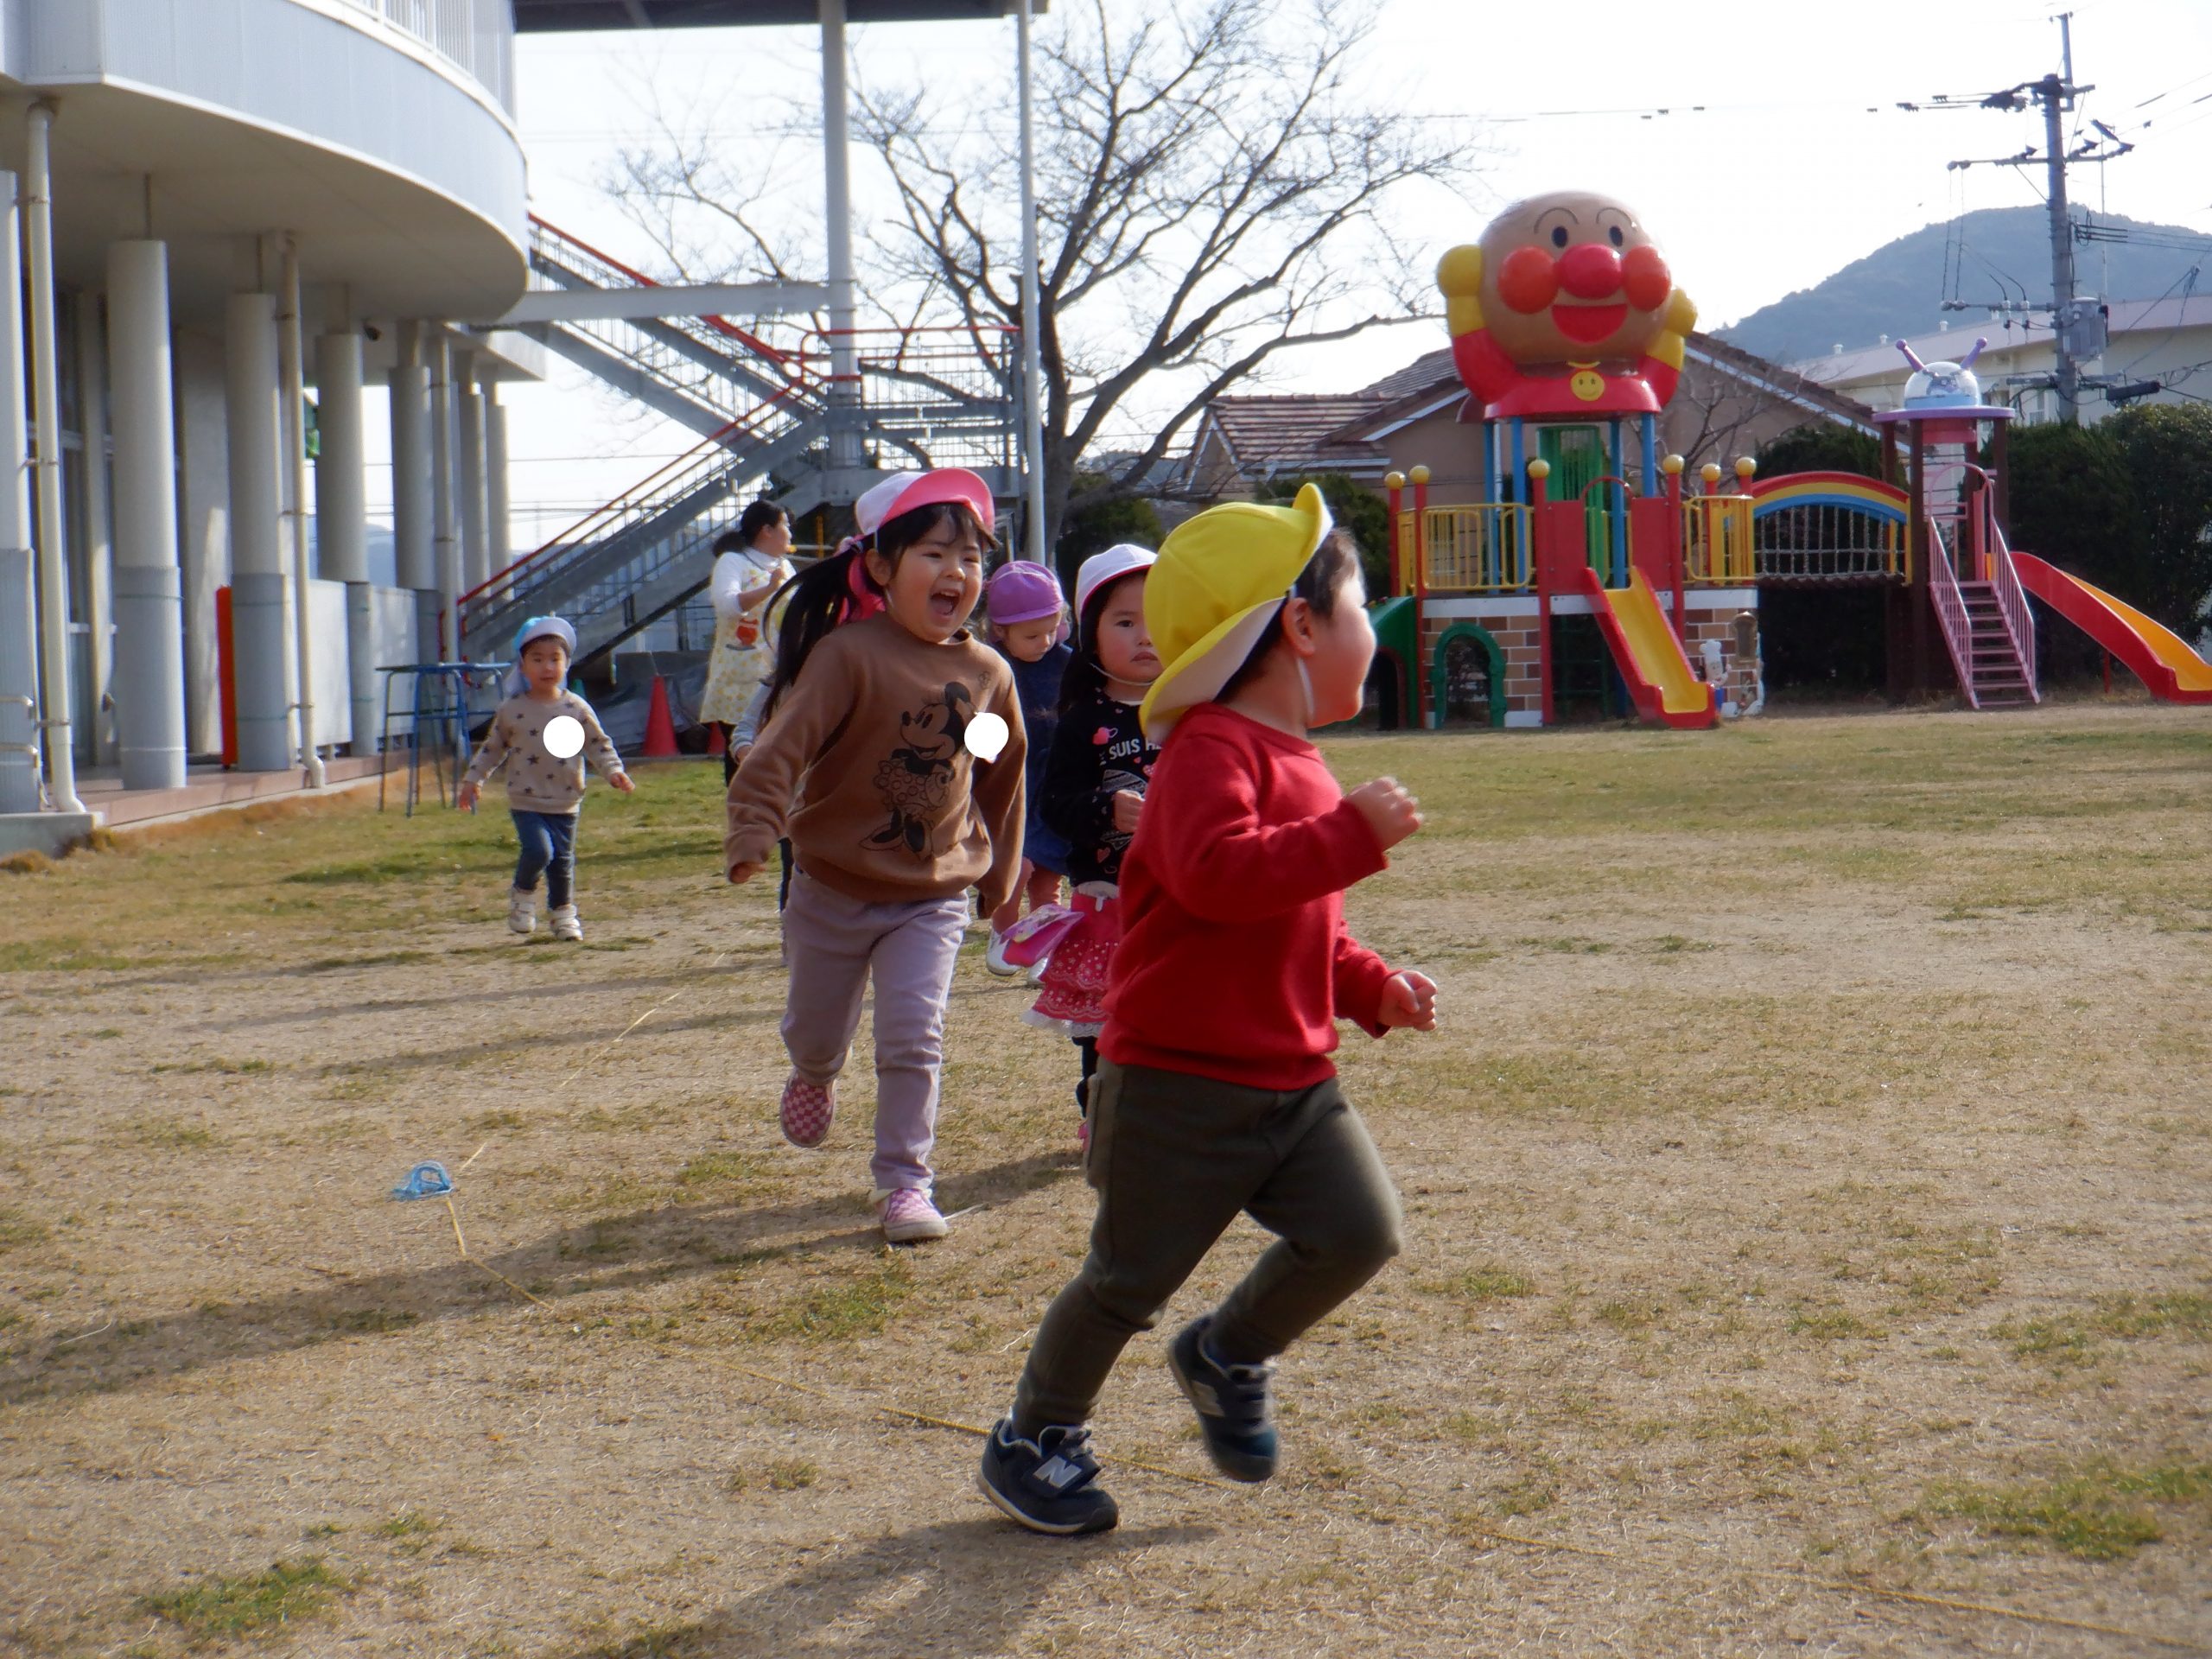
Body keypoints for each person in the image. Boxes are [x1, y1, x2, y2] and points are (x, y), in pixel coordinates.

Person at [976, 484, 1438, 1535]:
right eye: (1364, 606)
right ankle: (1033, 1437)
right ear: (1301, 623)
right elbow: (1219, 878)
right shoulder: (1205, 751)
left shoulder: (1304, 763)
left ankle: (1225, 1353)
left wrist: (1372, 988)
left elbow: (1303, 927)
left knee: (1360, 1233)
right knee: (1125, 1281)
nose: (1374, 629)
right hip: (1179, 1081)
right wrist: (1351, 837)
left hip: (1296, 1078)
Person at [724, 469, 1027, 1245]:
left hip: (930, 894)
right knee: (816, 1031)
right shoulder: (848, 658)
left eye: (972, 559)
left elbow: (999, 774)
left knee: (913, 1035)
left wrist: (1001, 878)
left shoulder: (989, 678)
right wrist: (755, 828)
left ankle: (905, 1184)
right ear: (883, 568)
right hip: (829, 887)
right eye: (935, 553)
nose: (957, 573)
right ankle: (815, 1072)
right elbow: (781, 749)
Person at [1021, 545, 1159, 1131]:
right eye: (1125, 622)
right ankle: (1101, 1110)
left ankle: (1166, 1115)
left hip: (1185, 898)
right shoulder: (1081, 719)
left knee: (1174, 1014)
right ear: (1091, 634)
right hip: (1109, 897)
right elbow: (1054, 806)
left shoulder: (1196, 709)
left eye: (1160, 618)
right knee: (1106, 1019)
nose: (1146, 636)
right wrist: (1105, 808)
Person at [455, 615, 635, 943]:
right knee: (539, 852)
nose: (547, 666)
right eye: (537, 659)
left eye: (555, 658)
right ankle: (523, 897)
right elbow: (492, 748)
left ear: (567, 663)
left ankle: (563, 915)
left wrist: (614, 771)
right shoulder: (512, 709)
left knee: (562, 863)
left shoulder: (576, 707)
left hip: (566, 800)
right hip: (526, 798)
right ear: (522, 666)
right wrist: (473, 780)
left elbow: (598, 743)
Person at [980, 559, 1073, 976]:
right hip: (1014, 782)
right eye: (1032, 634)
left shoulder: (1067, 663)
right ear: (1001, 630)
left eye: (1052, 630)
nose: (1045, 641)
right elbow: (975, 726)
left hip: (1055, 778)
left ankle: (1045, 946)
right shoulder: (988, 666)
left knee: (1049, 872)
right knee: (1018, 865)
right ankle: (1004, 932)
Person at [699, 499, 796, 787]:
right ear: (767, 530)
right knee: (742, 752)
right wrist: (768, 588)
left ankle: (776, 824)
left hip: (778, 672)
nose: (790, 534)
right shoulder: (733, 562)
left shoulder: (785, 566)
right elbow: (727, 606)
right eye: (785, 526)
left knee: (778, 753)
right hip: (739, 676)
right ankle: (744, 821)